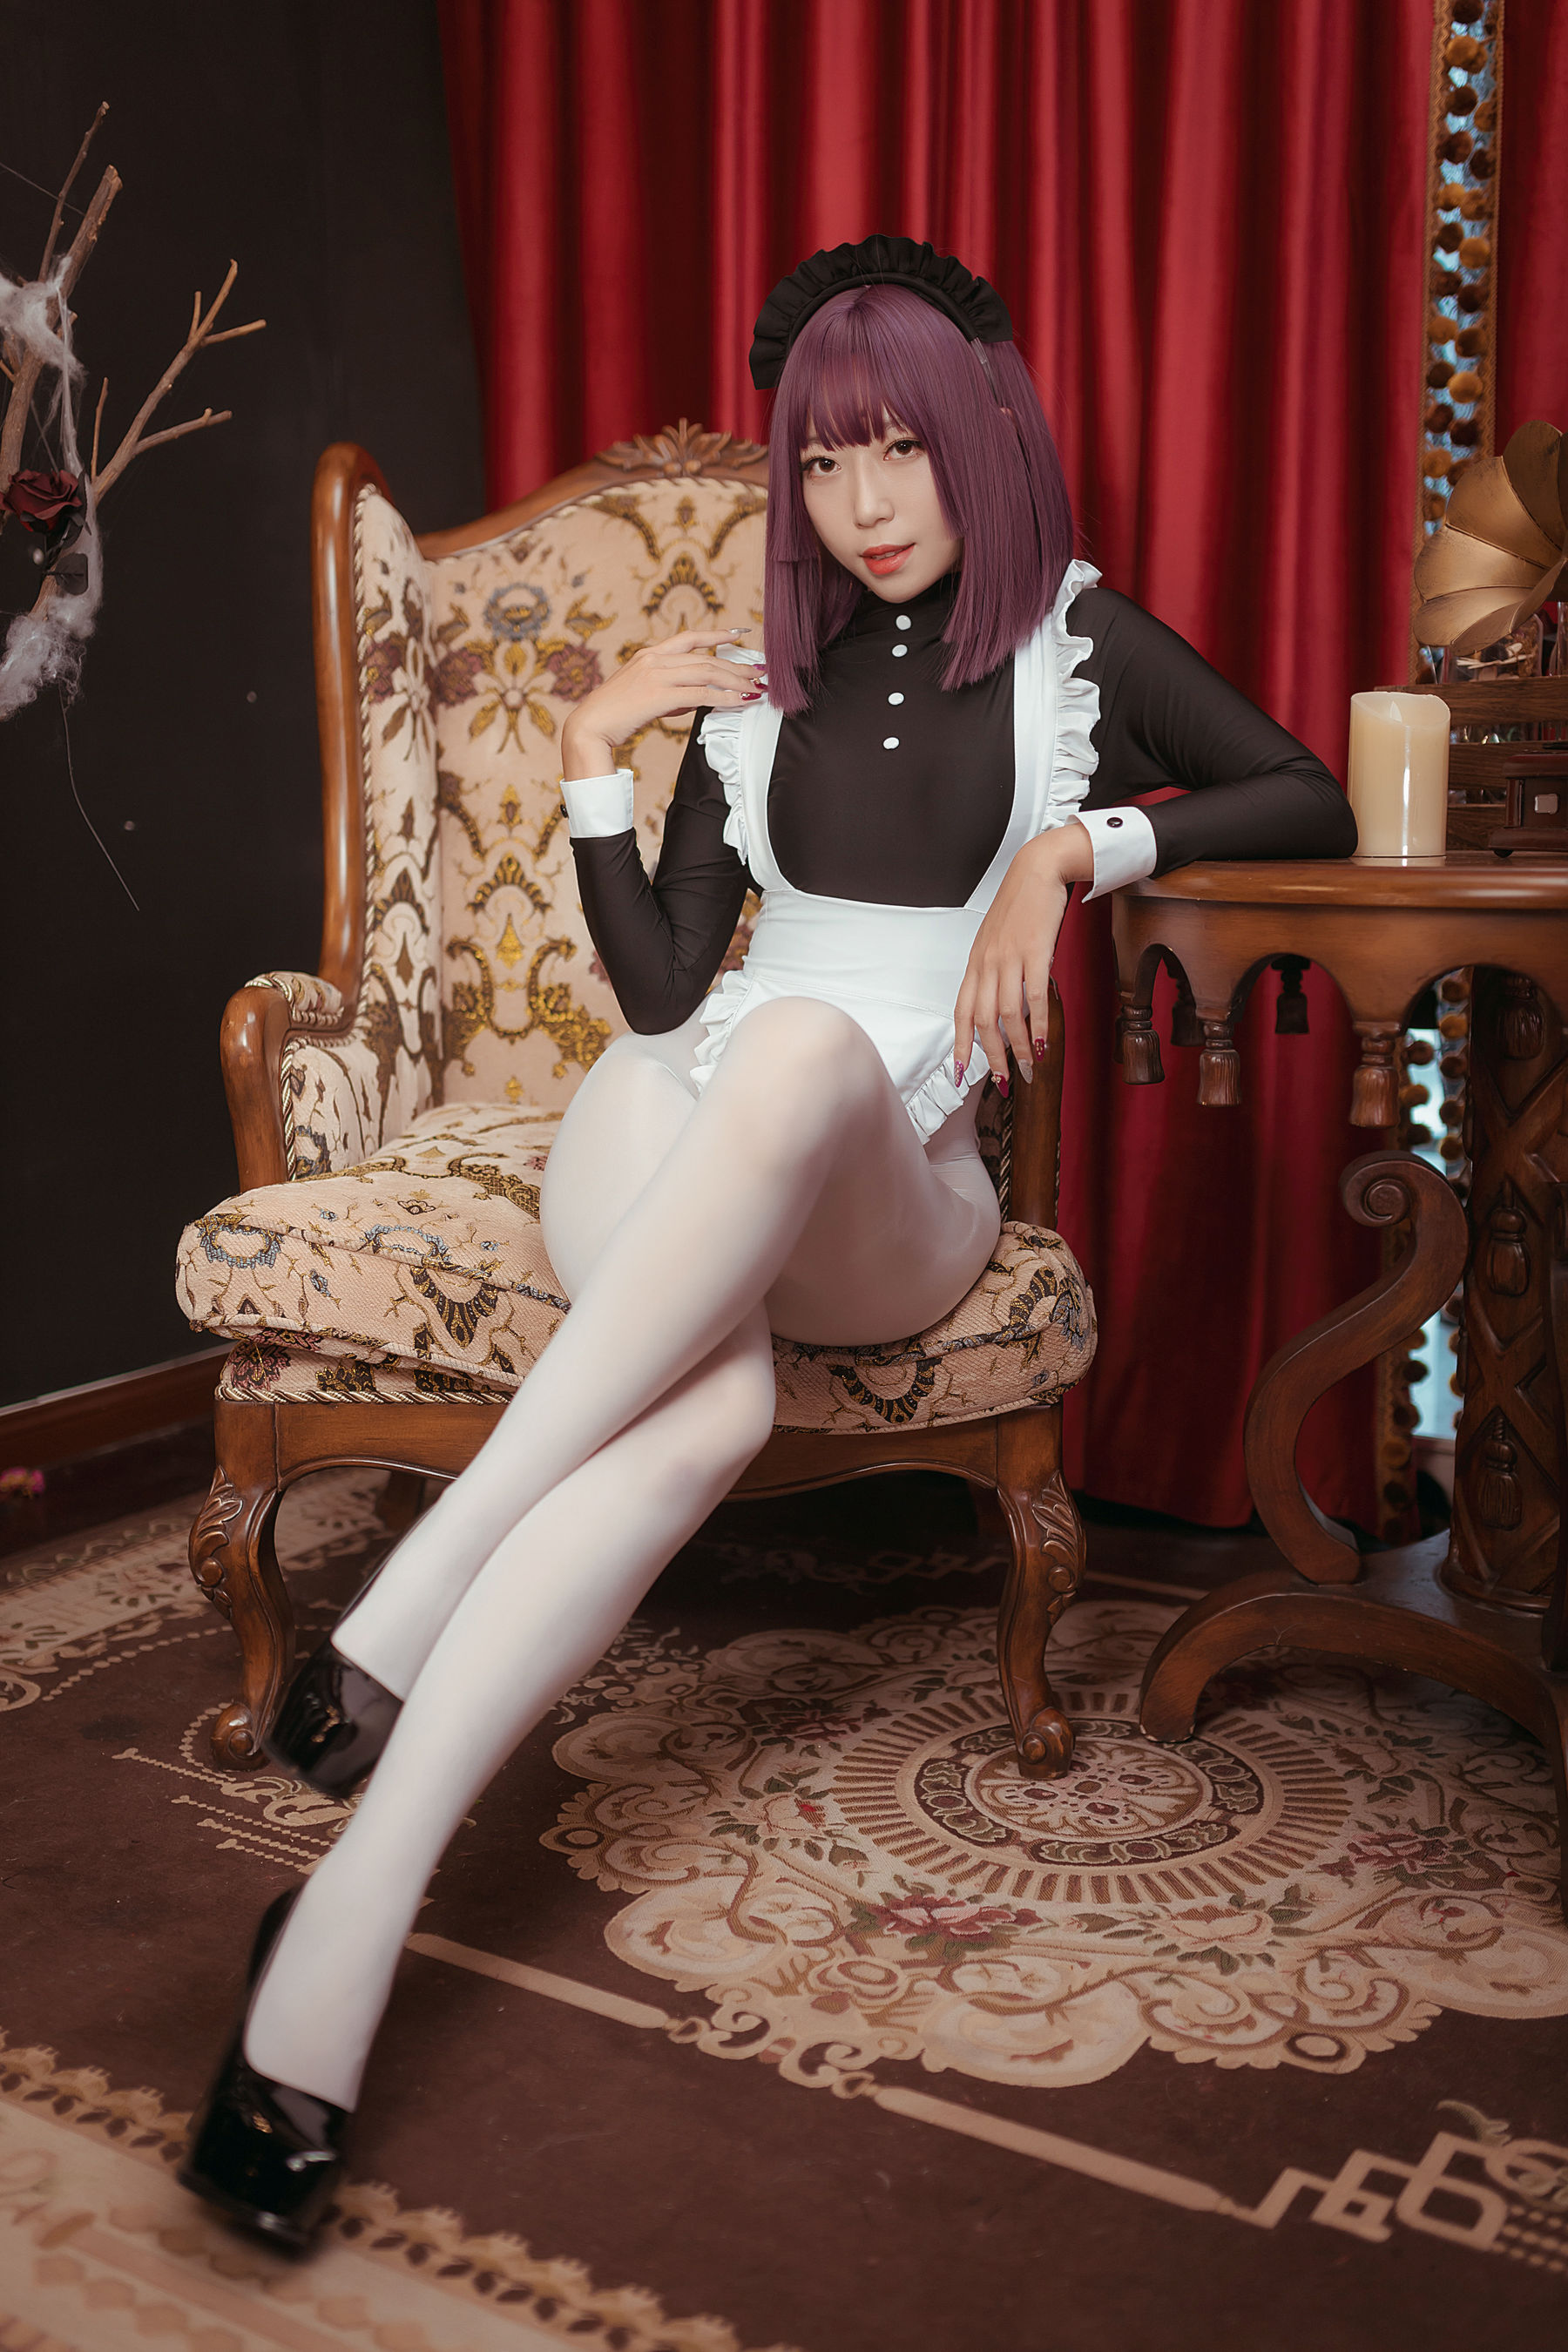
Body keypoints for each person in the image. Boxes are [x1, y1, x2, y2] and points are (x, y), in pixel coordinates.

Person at [179, 235, 1355, 2244]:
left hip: (891, 1189)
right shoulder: (763, 678)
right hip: (670, 1124)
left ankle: (423, 1584)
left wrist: (1073, 849)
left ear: (982, 437)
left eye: (899, 448)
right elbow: (658, 995)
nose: (862, 501)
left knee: (804, 1041)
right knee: (709, 1403)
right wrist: (591, 754)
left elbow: (1303, 792)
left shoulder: (1074, 645)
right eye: (821, 460)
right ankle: (333, 1954)